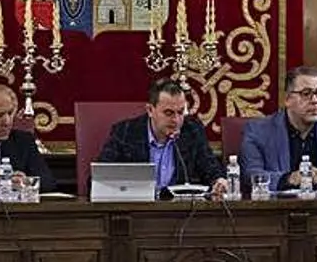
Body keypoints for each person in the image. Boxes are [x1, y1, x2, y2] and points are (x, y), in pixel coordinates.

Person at [240, 65, 317, 191]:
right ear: (287, 99)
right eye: (306, 94)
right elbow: (250, 175)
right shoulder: (258, 130)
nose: (315, 100)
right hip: (281, 204)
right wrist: (289, 179)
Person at [95, 79, 227, 197]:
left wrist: (219, 181)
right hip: (136, 209)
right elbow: (98, 179)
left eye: (181, 112)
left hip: (177, 210)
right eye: (169, 113)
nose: (176, 120)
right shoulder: (125, 132)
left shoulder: (192, 130)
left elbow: (210, 168)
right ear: (150, 110)